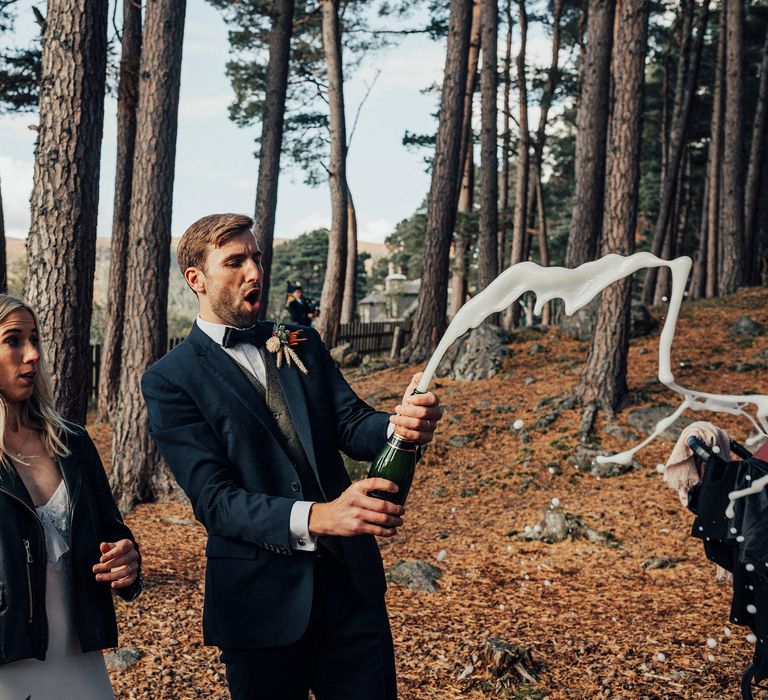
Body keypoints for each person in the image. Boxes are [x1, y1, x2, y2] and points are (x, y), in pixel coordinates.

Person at [141, 213, 442, 700]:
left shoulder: (300, 340)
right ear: (195, 278)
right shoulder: (169, 379)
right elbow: (215, 501)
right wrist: (320, 517)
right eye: (235, 261)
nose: (254, 272)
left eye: (255, 258)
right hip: (258, 606)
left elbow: (349, 423)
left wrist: (398, 424)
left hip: (351, 591)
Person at [0, 295, 142, 699]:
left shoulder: (72, 441)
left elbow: (114, 532)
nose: (32, 355)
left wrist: (127, 560)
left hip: (80, 654)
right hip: (8, 663)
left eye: (34, 339)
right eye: (13, 340)